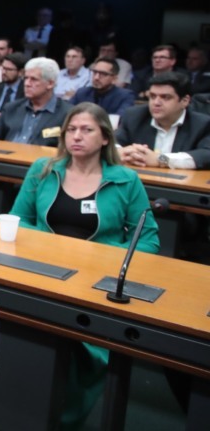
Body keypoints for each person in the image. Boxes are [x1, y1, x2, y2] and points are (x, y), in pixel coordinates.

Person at [10, 102, 159, 428]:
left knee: (82, 353)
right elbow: (17, 221)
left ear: (105, 137)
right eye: (71, 130)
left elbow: (147, 240)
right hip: (44, 272)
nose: (77, 136)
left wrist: (98, 257)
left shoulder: (125, 179)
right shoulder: (43, 169)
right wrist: (55, 247)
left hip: (94, 281)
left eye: (87, 129)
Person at [116, 72, 210, 169]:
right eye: (152, 96)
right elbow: (113, 144)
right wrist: (124, 152)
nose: (156, 103)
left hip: (181, 182)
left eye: (165, 97)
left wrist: (160, 159)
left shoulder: (202, 124)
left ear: (184, 101)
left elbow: (206, 155)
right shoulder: (134, 116)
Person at [0, 57, 70, 147]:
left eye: (33, 79)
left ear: (50, 84)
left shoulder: (66, 113)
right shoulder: (11, 108)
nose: (27, 83)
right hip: (4, 158)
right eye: (26, 78)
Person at [70, 57, 135, 116]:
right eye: (95, 72)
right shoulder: (82, 93)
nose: (96, 77)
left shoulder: (125, 96)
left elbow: (120, 119)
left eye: (103, 74)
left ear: (114, 79)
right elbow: (68, 113)